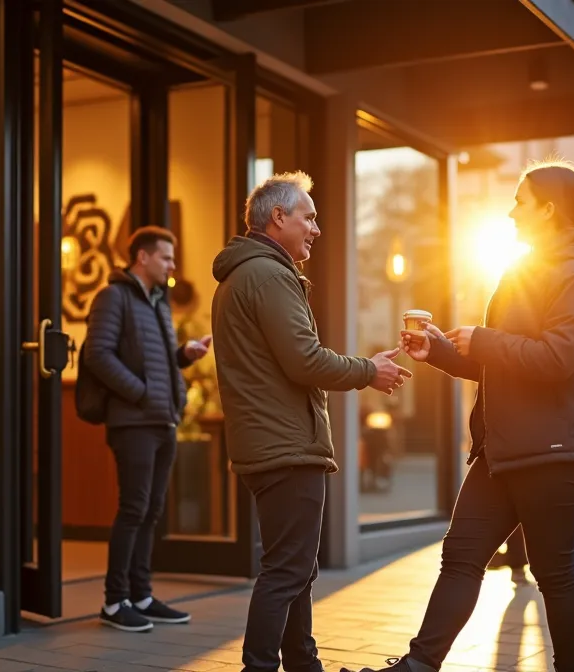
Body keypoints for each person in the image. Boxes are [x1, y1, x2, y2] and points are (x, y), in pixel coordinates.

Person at [344, 159, 574, 672]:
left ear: (548, 209)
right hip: (502, 448)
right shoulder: (526, 270)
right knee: (461, 557)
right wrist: (442, 351)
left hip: (553, 449)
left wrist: (485, 340)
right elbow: (505, 365)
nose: (511, 212)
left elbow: (556, 360)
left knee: (555, 574)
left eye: (520, 202)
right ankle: (419, 665)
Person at [212, 172, 410, 672]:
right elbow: (305, 359)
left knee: (295, 568)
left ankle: (304, 664)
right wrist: (368, 371)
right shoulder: (267, 275)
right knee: (287, 571)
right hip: (285, 445)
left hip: (273, 443)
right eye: (309, 217)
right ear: (278, 217)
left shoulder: (250, 273)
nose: (316, 229)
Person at [84, 226, 213, 633]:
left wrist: (184, 355)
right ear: (143, 257)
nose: (173, 266)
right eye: (166, 258)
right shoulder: (113, 297)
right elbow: (97, 355)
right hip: (133, 422)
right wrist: (140, 393)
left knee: (152, 510)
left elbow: (155, 361)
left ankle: (140, 595)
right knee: (134, 508)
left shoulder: (156, 301)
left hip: (161, 419)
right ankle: (113, 600)